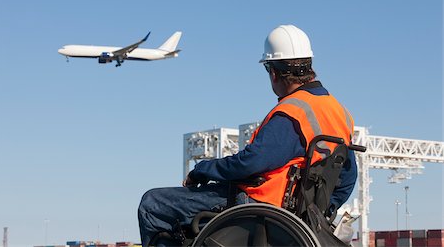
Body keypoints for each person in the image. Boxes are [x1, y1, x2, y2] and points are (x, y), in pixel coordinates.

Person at [138, 24, 357, 246]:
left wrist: (202, 170)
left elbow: (251, 162)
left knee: (153, 203)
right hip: (298, 215)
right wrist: (319, 211)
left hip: (258, 204)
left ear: (273, 72)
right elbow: (348, 178)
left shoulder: (292, 112)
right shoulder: (340, 113)